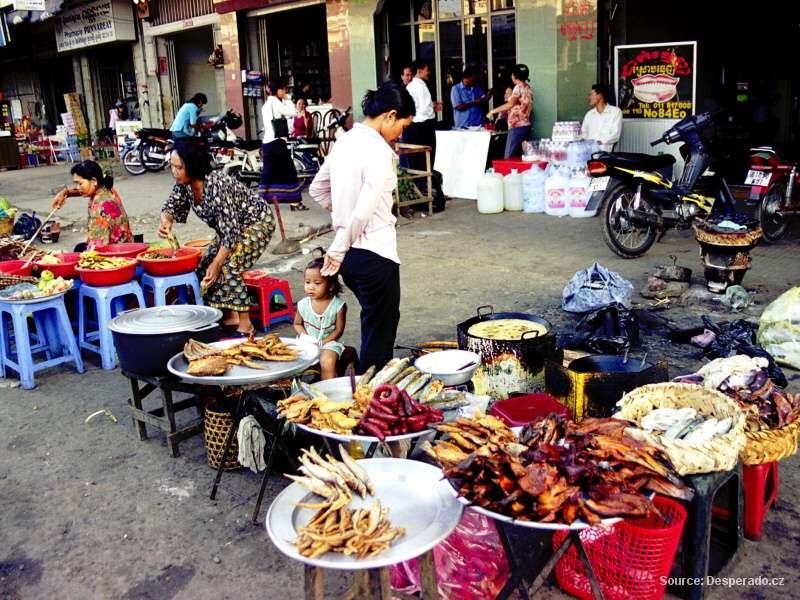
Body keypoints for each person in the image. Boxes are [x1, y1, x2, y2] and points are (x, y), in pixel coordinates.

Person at [309, 80, 415, 372]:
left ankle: (358, 374)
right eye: (402, 126)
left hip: (353, 260)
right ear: (390, 115)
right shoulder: (378, 151)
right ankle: (371, 399)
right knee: (380, 332)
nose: (400, 133)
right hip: (374, 255)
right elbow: (364, 211)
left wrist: (342, 214)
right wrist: (338, 246)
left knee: (373, 321)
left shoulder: (344, 141)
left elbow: (317, 189)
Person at [158, 141, 276, 336]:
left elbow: (231, 234)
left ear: (193, 166)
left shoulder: (217, 185)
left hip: (257, 222)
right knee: (204, 265)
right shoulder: (185, 186)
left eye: (179, 167)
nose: (174, 171)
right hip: (230, 229)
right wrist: (166, 222)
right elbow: (169, 207)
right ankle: (227, 315)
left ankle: (245, 325)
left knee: (228, 265)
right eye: (172, 166)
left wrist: (218, 262)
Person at [51, 160, 133, 249]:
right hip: (125, 245)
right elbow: (85, 189)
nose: (78, 188)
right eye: (76, 184)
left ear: (94, 180)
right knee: (79, 247)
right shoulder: (105, 188)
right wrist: (66, 193)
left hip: (118, 254)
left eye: (80, 183)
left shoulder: (100, 206)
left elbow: (96, 248)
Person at [294, 255, 347, 380]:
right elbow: (297, 324)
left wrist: (322, 343)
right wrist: (306, 337)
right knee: (291, 360)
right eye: (307, 282)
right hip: (307, 341)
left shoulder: (338, 306)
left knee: (327, 361)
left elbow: (338, 331)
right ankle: (295, 391)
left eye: (317, 283)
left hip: (329, 343)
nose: (311, 286)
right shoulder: (303, 304)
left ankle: (326, 390)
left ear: (331, 286)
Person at [403, 59, 442, 216]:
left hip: (416, 126)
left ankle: (421, 196)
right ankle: (424, 196)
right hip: (422, 126)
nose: (429, 72)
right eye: (427, 70)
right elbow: (425, 109)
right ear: (419, 71)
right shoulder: (418, 86)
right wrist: (433, 106)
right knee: (425, 161)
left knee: (417, 161)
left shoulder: (412, 87)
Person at [260, 80, 305, 210]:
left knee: (268, 171)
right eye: (283, 90)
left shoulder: (266, 105)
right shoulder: (276, 103)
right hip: (277, 142)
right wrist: (288, 98)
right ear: (278, 90)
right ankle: (294, 202)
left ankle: (261, 199)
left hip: (267, 143)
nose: (285, 92)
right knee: (289, 171)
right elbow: (294, 112)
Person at [486, 64, 533, 158]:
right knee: (520, 156)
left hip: (517, 126)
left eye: (512, 74)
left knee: (509, 157)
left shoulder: (517, 88)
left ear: (515, 76)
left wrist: (493, 111)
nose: (511, 76)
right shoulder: (527, 87)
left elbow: (510, 104)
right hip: (525, 125)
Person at [581, 83, 623, 152]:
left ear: (599, 95)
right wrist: (587, 143)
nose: (589, 97)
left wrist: (598, 143)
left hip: (605, 153)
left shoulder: (615, 112)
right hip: (588, 151)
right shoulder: (589, 114)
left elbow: (615, 135)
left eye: (591, 94)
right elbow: (583, 133)